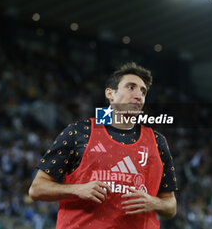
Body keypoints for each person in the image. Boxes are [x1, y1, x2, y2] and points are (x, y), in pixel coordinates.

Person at [29, 62, 177, 229]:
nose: (139, 95)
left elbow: (170, 205)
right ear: (110, 93)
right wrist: (78, 190)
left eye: (143, 91)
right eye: (131, 87)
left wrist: (154, 202)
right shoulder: (78, 132)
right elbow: (37, 189)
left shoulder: (158, 141)